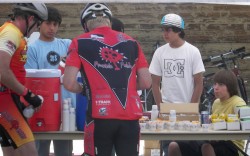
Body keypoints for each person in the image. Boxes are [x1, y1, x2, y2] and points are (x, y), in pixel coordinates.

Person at [63, 3, 151, 156]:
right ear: (109, 21)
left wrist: (84, 89)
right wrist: (127, 86)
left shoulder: (79, 42)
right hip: (130, 116)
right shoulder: (133, 43)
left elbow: (69, 83)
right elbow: (145, 82)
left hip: (99, 116)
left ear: (85, 24)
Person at [149, 13, 205, 156]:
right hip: (167, 108)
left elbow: (199, 83)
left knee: (191, 149)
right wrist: (161, 107)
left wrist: (192, 108)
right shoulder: (160, 52)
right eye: (163, 29)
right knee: (171, 148)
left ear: (179, 30)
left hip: (188, 107)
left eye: (168, 29)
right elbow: (154, 83)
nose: (165, 33)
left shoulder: (193, 51)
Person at [25, 6, 74, 156]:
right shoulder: (32, 49)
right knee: (41, 149)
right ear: (40, 23)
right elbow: (32, 80)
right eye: (48, 23)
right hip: (43, 106)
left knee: (64, 151)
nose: (52, 28)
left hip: (65, 106)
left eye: (55, 24)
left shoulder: (66, 44)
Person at [0, 3, 47, 156]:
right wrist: (28, 94)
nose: (37, 29)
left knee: (12, 153)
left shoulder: (11, 32)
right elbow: (2, 71)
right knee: (29, 152)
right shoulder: (11, 33)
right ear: (31, 18)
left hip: (8, 98)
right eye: (38, 24)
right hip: (4, 100)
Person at [201, 69, 247, 156]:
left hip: (234, 147)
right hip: (216, 141)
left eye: (221, 84)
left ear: (230, 86)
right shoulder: (216, 103)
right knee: (188, 145)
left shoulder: (237, 102)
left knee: (205, 147)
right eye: (215, 84)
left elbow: (246, 124)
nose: (216, 87)